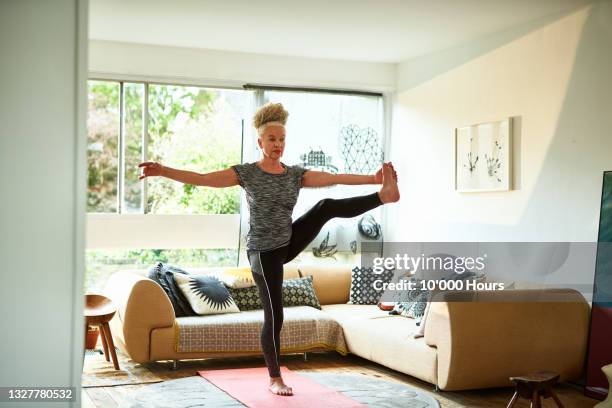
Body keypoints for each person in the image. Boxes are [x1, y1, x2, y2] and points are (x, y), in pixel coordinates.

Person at [138, 102, 399, 396]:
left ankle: (383, 195)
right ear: (260, 142)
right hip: (263, 253)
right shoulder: (247, 173)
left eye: (282, 139)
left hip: (288, 241)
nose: (278, 145)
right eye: (272, 139)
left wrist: (374, 179)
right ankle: (275, 378)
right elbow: (203, 179)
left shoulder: (294, 174)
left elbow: (335, 178)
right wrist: (162, 171)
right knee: (275, 315)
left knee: (325, 206)